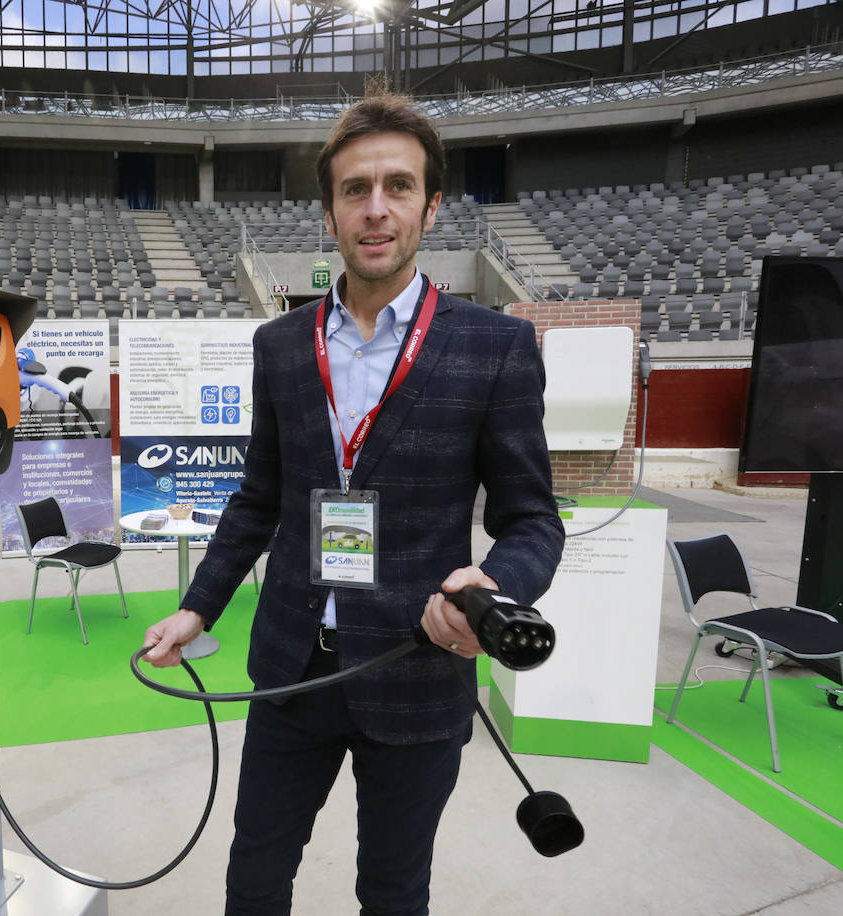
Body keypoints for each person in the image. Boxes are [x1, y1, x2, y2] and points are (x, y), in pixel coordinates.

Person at [141, 91, 565, 916]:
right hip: (292, 669)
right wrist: (198, 607)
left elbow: (532, 518)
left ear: (430, 206)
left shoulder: (495, 347)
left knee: (393, 894)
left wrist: (487, 590)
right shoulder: (279, 346)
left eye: (398, 187)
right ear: (328, 211)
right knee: (254, 880)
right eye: (355, 190)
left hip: (415, 668)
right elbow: (259, 498)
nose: (376, 210)